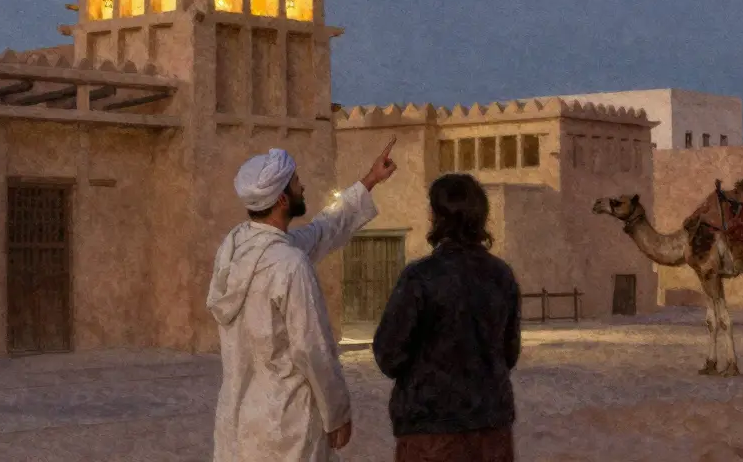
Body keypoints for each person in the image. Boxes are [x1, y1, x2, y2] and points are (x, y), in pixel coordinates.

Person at [207, 138, 398, 462]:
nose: (303, 186)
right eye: (296, 182)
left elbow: (321, 231)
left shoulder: (236, 248)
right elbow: (313, 348)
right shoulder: (288, 264)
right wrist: (337, 413)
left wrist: (369, 181)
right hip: (288, 428)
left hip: (240, 424)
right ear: (282, 199)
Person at [372, 172, 522, 462]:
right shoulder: (501, 276)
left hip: (431, 433)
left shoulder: (420, 277)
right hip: (491, 429)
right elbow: (510, 353)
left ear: (437, 217)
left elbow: (388, 355)